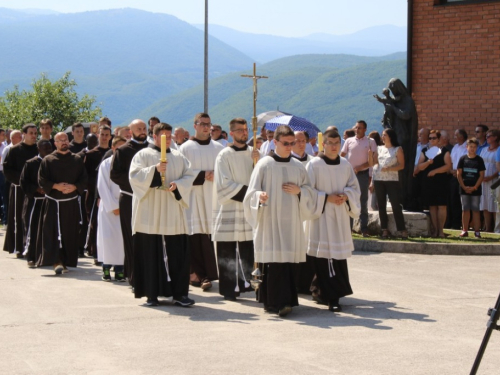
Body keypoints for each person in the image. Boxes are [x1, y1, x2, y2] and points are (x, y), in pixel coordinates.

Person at [243, 125, 325, 317]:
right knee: (274, 263)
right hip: (270, 221)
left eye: (292, 143)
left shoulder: (298, 166)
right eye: (286, 143)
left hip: (291, 222)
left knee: (288, 262)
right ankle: (273, 302)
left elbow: (310, 192)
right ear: (275, 142)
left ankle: (287, 300)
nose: (290, 146)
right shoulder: (264, 164)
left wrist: (300, 192)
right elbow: (251, 193)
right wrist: (259, 196)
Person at [130, 122, 196, 307]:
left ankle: (180, 294)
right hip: (150, 211)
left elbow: (189, 176)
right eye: (163, 135)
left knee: (177, 254)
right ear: (155, 136)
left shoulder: (179, 157)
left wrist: (178, 186)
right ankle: (151, 293)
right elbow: (134, 178)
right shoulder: (143, 155)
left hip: (172, 210)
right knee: (151, 253)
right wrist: (154, 170)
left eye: (170, 135)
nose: (167, 139)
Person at [306, 129, 360, 312]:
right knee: (324, 257)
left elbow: (354, 187)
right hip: (321, 216)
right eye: (330, 143)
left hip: (339, 215)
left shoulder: (345, 165)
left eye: (337, 143)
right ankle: (330, 296)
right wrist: (325, 197)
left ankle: (324, 291)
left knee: (336, 256)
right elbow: (307, 191)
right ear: (324, 144)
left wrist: (346, 196)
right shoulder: (314, 165)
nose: (334, 146)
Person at [213, 118, 258, 301]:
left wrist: (258, 161)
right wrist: (251, 193)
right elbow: (223, 184)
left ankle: (249, 284)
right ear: (231, 133)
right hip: (231, 207)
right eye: (239, 130)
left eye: (246, 130)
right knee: (227, 249)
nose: (244, 133)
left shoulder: (255, 153)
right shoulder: (224, 155)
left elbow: (261, 179)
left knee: (249, 247)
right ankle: (229, 288)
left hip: (249, 210)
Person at [179, 113, 224, 290]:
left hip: (213, 197)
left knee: (212, 237)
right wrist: (202, 174)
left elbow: (225, 172)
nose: (206, 127)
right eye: (202, 124)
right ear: (195, 125)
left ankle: (212, 274)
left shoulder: (219, 148)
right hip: (194, 198)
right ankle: (198, 274)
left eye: (208, 124)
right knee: (196, 236)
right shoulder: (186, 148)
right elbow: (181, 173)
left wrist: (216, 174)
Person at [37, 132, 88, 274]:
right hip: (54, 203)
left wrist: (75, 187)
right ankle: (56, 261)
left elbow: (84, 179)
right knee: (53, 232)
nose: (63, 142)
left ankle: (66, 261)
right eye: (60, 140)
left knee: (69, 232)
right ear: (55, 143)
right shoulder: (48, 160)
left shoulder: (77, 159)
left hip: (70, 202)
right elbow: (41, 180)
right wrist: (55, 186)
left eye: (65, 140)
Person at [110, 119, 149, 287]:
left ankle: (150, 275)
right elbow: (115, 175)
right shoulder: (123, 151)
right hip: (129, 198)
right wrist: (137, 183)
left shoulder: (153, 150)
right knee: (131, 238)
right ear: (130, 132)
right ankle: (134, 276)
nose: (142, 131)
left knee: (149, 238)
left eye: (144, 128)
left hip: (149, 199)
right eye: (138, 128)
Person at [3, 124, 39, 257]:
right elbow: (7, 170)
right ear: (24, 134)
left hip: (35, 189)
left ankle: (34, 246)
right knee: (18, 217)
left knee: (33, 216)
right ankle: (19, 247)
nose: (34, 136)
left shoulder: (38, 149)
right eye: (31, 133)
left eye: (35, 133)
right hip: (19, 188)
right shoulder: (15, 150)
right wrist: (23, 180)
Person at [97, 136, 127, 282]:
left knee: (122, 240)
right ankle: (106, 268)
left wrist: (124, 205)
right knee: (107, 238)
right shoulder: (106, 164)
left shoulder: (129, 163)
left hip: (125, 205)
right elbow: (102, 186)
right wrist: (114, 206)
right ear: (113, 149)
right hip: (109, 208)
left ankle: (120, 270)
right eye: (118, 148)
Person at [369, 128, 408, 238]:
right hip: (378, 179)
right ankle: (384, 229)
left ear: (390, 136)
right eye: (382, 135)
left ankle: (402, 229)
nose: (383, 137)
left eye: (385, 135)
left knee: (396, 205)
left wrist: (390, 168)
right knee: (381, 205)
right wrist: (370, 156)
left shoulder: (397, 149)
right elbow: (374, 164)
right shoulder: (379, 148)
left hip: (392, 180)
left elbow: (402, 165)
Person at [340, 120, 377, 237]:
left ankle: (364, 228)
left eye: (360, 128)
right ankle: (348, 229)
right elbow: (342, 155)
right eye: (356, 127)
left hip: (363, 175)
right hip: (349, 175)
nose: (357, 130)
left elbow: (374, 161)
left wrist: (361, 167)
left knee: (363, 201)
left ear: (365, 129)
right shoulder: (349, 141)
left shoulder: (370, 142)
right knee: (349, 200)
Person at [20, 140, 53, 268]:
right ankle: (31, 257)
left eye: (50, 148)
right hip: (34, 201)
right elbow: (24, 182)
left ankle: (47, 257)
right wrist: (36, 189)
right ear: (39, 149)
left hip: (49, 201)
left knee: (49, 231)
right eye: (45, 148)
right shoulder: (31, 163)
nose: (48, 151)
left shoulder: (53, 162)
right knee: (33, 230)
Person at [83, 125, 111, 262]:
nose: (104, 137)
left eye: (107, 135)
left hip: (111, 194)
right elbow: (85, 176)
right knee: (95, 223)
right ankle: (95, 253)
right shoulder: (90, 154)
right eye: (102, 134)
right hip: (94, 195)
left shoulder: (113, 153)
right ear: (98, 136)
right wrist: (97, 190)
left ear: (110, 137)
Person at [416, 130, 452, 238]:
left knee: (441, 206)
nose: (431, 140)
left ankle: (441, 230)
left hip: (441, 181)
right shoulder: (424, 150)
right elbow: (419, 166)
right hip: (428, 182)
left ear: (439, 139)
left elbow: (448, 166)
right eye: (430, 138)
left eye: (434, 138)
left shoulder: (444, 151)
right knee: (432, 206)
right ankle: (435, 230)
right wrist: (428, 162)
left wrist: (435, 171)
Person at [457, 138, 485, 238]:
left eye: (474, 147)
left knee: (475, 209)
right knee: (465, 209)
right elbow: (459, 174)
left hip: (475, 189)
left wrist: (475, 187)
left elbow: (481, 175)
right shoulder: (463, 159)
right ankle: (465, 230)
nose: (472, 149)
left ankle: (477, 231)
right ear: (467, 147)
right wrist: (464, 187)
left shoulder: (479, 160)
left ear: (476, 148)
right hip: (464, 189)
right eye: (470, 147)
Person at [479, 129, 499, 232]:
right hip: (483, 181)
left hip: (494, 181)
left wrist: (491, 177)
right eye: (486, 136)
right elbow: (480, 163)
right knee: (485, 204)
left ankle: (496, 228)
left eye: (489, 136)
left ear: (495, 137)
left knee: (494, 204)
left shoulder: (498, 150)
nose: (487, 138)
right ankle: (487, 228)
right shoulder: (484, 150)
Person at [1, 130, 22, 225]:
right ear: (12, 138)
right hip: (6, 177)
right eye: (18, 137)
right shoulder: (7, 149)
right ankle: (7, 220)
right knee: (7, 198)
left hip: (19, 179)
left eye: (21, 136)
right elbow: (3, 165)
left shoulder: (22, 149)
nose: (21, 138)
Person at [449, 129, 468, 229]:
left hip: (464, 178)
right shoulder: (455, 147)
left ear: (461, 136)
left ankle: (464, 224)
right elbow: (452, 162)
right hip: (454, 177)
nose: (454, 137)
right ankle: (455, 223)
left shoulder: (467, 147)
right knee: (454, 200)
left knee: (463, 202)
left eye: (456, 135)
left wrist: (459, 173)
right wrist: (452, 171)